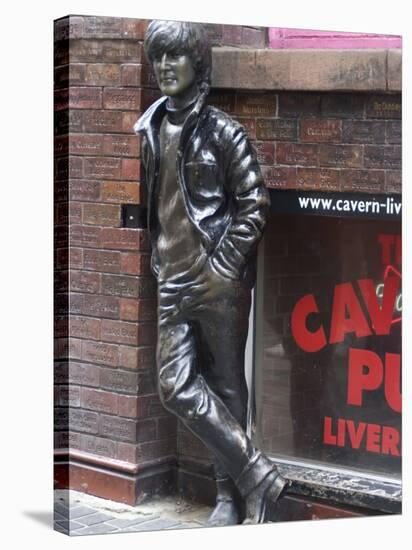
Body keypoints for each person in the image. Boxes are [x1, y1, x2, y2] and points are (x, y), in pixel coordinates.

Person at [134, 19, 289, 525]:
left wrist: (223, 263)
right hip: (172, 278)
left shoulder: (223, 132)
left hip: (215, 278)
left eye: (175, 57)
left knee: (225, 385)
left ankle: (231, 496)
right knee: (175, 386)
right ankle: (257, 474)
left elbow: (254, 203)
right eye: (158, 57)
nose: (164, 66)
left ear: (197, 65)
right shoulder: (151, 129)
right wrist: (159, 260)